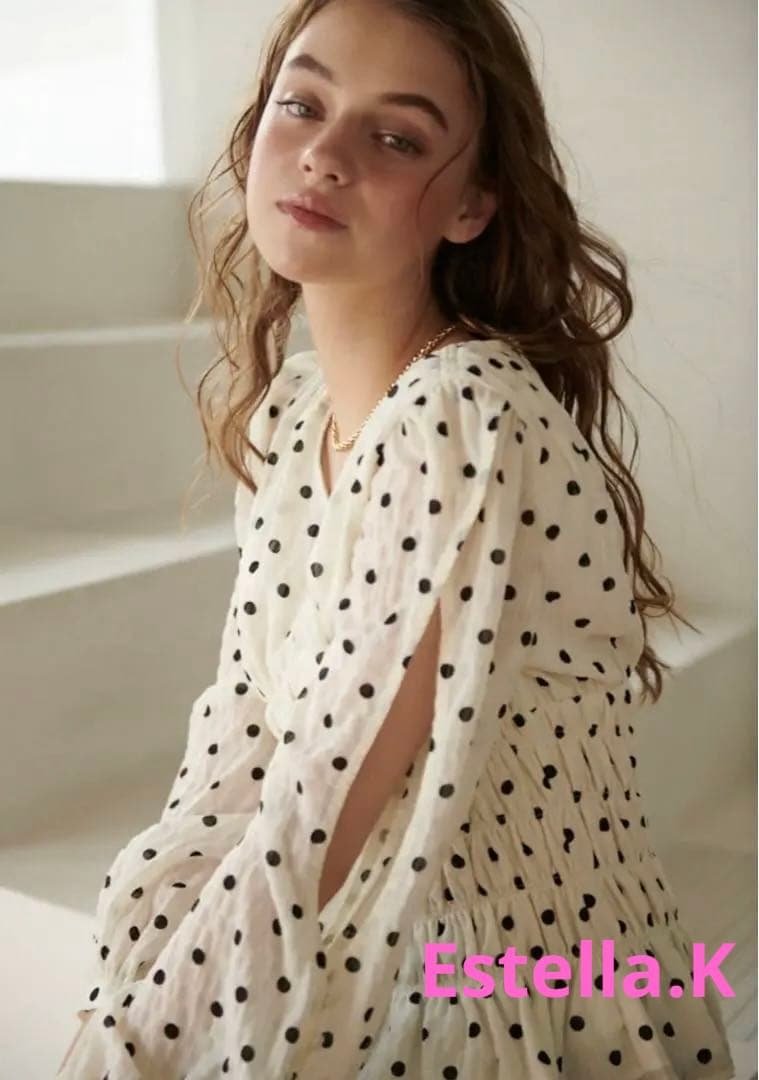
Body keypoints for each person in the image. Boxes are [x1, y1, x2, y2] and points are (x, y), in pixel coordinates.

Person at [58, 0, 737, 1077]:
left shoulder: (461, 414)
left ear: (471, 205)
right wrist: (142, 962)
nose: (325, 155)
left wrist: (134, 1047)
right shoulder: (296, 418)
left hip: (507, 985)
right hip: (396, 943)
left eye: (395, 137)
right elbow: (242, 735)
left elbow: (318, 813)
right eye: (302, 104)